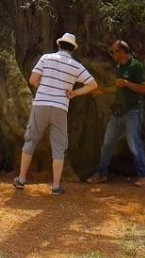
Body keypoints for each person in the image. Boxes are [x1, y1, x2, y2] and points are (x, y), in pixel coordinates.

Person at [13, 32, 97, 196]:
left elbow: (32, 80)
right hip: (60, 107)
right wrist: (75, 93)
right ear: (72, 49)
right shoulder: (75, 65)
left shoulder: (46, 58)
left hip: (41, 104)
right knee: (58, 147)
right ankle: (56, 186)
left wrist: (43, 87)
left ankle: (21, 180)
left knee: (30, 141)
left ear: (59, 45)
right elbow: (93, 84)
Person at [87, 39, 145, 186]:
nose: (111, 54)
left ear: (122, 52)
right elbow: (118, 88)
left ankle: (144, 175)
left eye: (113, 52)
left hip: (132, 112)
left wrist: (128, 83)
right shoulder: (119, 67)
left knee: (134, 143)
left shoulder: (136, 67)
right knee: (107, 143)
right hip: (117, 113)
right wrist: (102, 90)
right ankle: (101, 174)